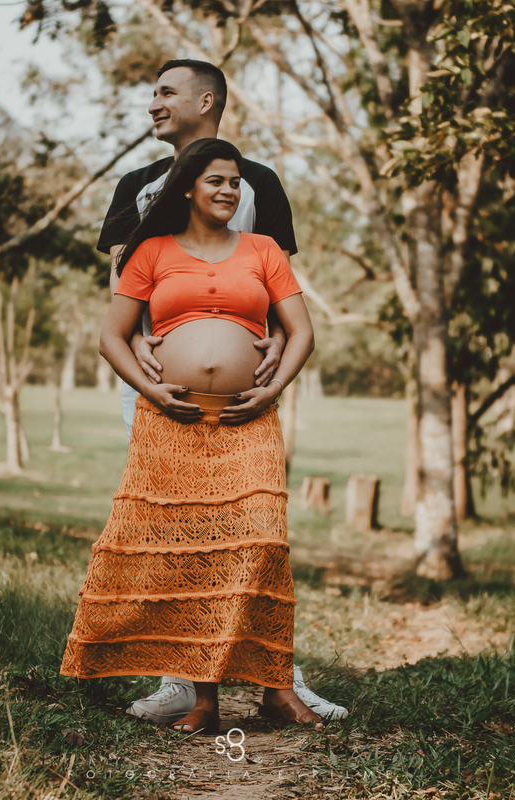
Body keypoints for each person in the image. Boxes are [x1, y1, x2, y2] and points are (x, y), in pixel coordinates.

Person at [95, 58, 347, 725]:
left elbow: (275, 279)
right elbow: (121, 282)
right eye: (153, 92)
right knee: (176, 531)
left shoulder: (258, 181)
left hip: (245, 395)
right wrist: (138, 344)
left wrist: (273, 346)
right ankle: (182, 683)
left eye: (166, 92)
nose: (154, 103)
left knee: (254, 535)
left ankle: (278, 677)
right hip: (158, 388)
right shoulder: (136, 184)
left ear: (205, 101)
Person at [60, 138, 321, 734]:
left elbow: (301, 331)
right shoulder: (151, 251)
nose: (229, 190)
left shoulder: (263, 250)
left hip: (246, 421)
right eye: (216, 181)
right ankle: (205, 700)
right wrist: (151, 391)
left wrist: (272, 388)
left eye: (235, 182)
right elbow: (112, 337)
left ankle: (276, 689)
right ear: (187, 189)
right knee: (196, 556)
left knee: (261, 545)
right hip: (171, 424)